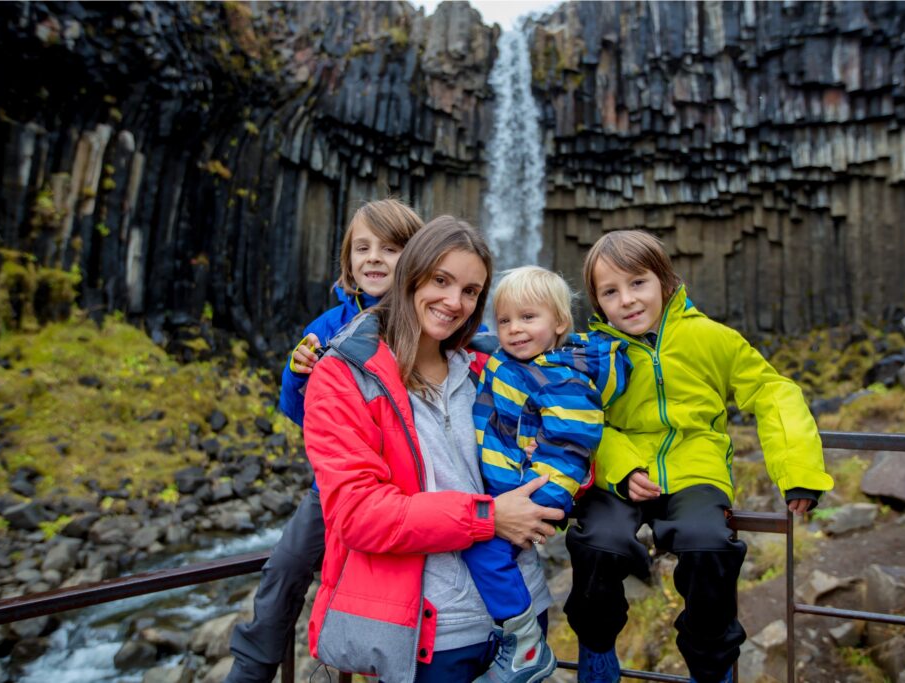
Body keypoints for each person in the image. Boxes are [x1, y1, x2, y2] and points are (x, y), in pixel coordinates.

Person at [564, 230, 834, 683]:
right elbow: (579, 415)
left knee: (708, 543)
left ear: (665, 282)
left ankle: (711, 668)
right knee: (597, 543)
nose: (627, 300)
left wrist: (799, 471)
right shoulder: (591, 353)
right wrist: (621, 466)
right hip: (621, 474)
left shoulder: (710, 338)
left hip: (695, 470)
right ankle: (596, 647)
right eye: (610, 292)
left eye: (637, 283)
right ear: (596, 302)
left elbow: (774, 391)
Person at [303, 217, 565, 683]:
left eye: (470, 291)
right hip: (429, 635)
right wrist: (488, 517)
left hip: (522, 612)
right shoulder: (343, 376)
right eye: (441, 280)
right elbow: (358, 513)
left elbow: (567, 437)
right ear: (411, 273)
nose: (454, 302)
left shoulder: (492, 368)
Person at [226, 199, 423, 683]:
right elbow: (301, 415)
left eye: (391, 248)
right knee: (286, 567)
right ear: (348, 261)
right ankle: (251, 670)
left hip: (412, 485)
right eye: (363, 248)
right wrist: (297, 375)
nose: (374, 257)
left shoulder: (428, 322)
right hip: (336, 485)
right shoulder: (326, 328)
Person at [468, 266, 630, 683]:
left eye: (527, 318)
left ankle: (524, 644)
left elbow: (570, 449)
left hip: (528, 498)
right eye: (504, 320)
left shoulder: (563, 380)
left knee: (482, 553)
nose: (514, 330)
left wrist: (540, 506)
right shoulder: (512, 357)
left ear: (559, 322)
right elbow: (487, 346)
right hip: (502, 490)